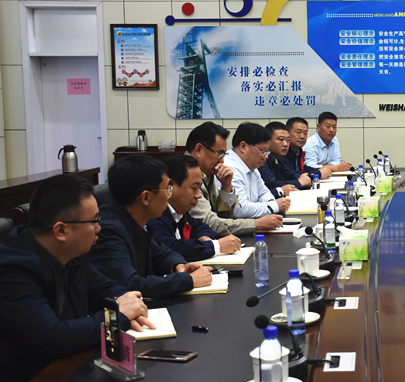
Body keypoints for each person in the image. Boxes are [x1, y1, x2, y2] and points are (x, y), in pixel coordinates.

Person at [0, 175, 154, 382]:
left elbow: (108, 288)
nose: (99, 228)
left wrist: (127, 304)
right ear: (61, 230)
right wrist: (117, 316)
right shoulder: (12, 270)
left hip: (70, 374)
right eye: (94, 221)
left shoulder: (71, 252)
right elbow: (56, 337)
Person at [88, 155, 213, 298]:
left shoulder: (135, 222)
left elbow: (163, 253)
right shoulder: (108, 231)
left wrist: (179, 266)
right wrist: (188, 280)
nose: (169, 196)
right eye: (167, 189)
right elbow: (130, 285)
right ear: (146, 197)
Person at [185, 122, 282, 235]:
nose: (222, 161)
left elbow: (224, 216)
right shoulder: (185, 174)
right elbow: (210, 223)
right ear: (198, 150)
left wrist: (227, 187)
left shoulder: (208, 172)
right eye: (219, 153)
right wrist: (256, 224)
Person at [149, 155, 242, 262]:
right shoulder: (154, 215)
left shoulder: (181, 212)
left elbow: (201, 227)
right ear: (170, 185)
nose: (199, 195)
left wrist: (204, 238)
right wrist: (216, 246)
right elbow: (170, 249)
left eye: (199, 188)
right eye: (194, 188)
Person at [226, 122, 290, 220]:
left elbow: (263, 192)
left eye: (267, 152)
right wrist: (275, 206)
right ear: (243, 146)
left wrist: (271, 201)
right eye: (262, 151)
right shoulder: (230, 167)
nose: (266, 156)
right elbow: (239, 210)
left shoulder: (252, 167)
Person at [259, 121, 312, 196]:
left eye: (288, 140)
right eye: (281, 139)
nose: (285, 144)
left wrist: (304, 177)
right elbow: (271, 184)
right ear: (268, 141)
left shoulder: (279, 158)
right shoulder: (261, 159)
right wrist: (299, 182)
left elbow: (290, 174)